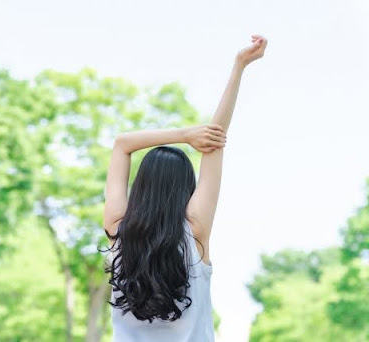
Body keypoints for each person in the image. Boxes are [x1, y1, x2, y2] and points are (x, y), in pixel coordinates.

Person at [102, 34, 268, 341]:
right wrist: (239, 66)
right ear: (185, 191)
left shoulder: (118, 230)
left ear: (141, 186)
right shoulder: (195, 231)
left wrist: (184, 134)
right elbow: (216, 139)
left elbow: (121, 144)